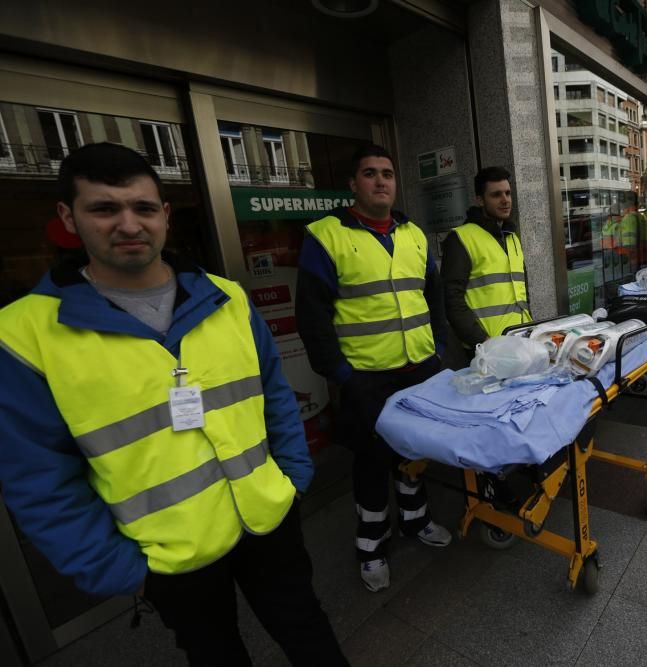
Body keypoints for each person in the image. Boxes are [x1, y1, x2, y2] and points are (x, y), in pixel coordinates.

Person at [0, 143, 345, 666]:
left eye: (142, 208)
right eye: (104, 209)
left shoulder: (226, 297)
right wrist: (120, 570)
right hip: (167, 555)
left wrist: (293, 477)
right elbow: (38, 479)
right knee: (215, 655)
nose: (128, 224)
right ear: (69, 218)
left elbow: (275, 395)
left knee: (309, 634)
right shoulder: (26, 335)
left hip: (268, 517)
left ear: (165, 216)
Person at [296, 144, 451, 594]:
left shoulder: (415, 235)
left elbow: (433, 298)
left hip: (419, 369)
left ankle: (416, 522)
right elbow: (312, 317)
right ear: (353, 184)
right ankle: (371, 549)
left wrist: (437, 347)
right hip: (365, 377)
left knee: (413, 454)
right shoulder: (326, 236)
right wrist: (341, 375)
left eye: (387, 173)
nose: (381, 181)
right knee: (370, 463)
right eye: (369, 173)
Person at [441, 166, 531, 353]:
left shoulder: (511, 237)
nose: (505, 200)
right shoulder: (461, 238)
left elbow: (521, 291)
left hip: (521, 340)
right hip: (487, 348)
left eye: (508, 193)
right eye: (496, 195)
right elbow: (452, 300)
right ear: (480, 200)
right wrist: (483, 341)